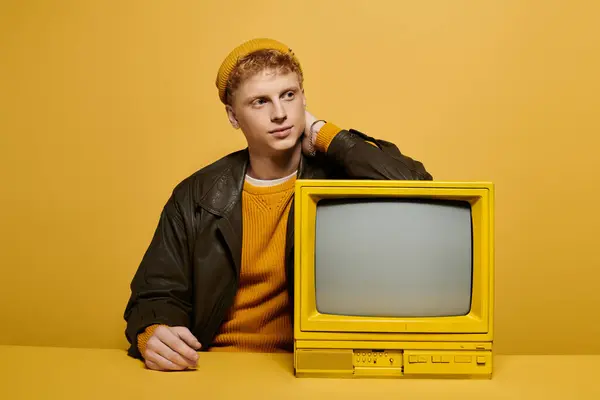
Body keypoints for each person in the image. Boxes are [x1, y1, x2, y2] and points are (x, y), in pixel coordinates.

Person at [123, 38, 433, 371]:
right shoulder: (196, 195)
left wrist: (325, 134)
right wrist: (153, 333)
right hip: (213, 368)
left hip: (315, 367)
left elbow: (416, 189)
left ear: (304, 98)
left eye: (289, 95)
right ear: (232, 116)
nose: (280, 113)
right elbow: (155, 293)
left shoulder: (341, 177)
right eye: (260, 102)